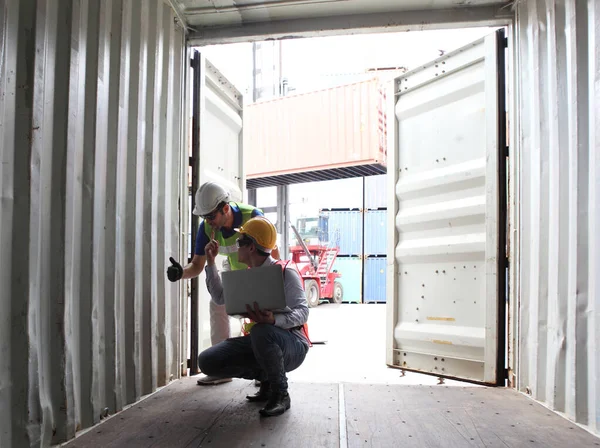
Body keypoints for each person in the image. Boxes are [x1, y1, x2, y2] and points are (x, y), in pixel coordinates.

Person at [197, 216, 310, 417]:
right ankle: (267, 380)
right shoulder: (248, 277)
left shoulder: (285, 272)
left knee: (261, 331)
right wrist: (211, 262)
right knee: (208, 361)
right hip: (262, 340)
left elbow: (303, 312)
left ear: (251, 247)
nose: (236, 246)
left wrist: (274, 321)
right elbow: (220, 297)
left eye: (240, 242)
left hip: (293, 344)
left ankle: (280, 393)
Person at [167, 181, 267, 385]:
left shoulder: (253, 217)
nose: (208, 221)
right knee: (217, 305)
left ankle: (265, 368)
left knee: (260, 319)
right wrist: (181, 272)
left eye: (211, 216)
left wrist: (265, 287)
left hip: (258, 274)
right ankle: (222, 368)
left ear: (226, 208)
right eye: (204, 217)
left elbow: (272, 257)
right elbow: (196, 265)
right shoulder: (206, 228)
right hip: (234, 276)